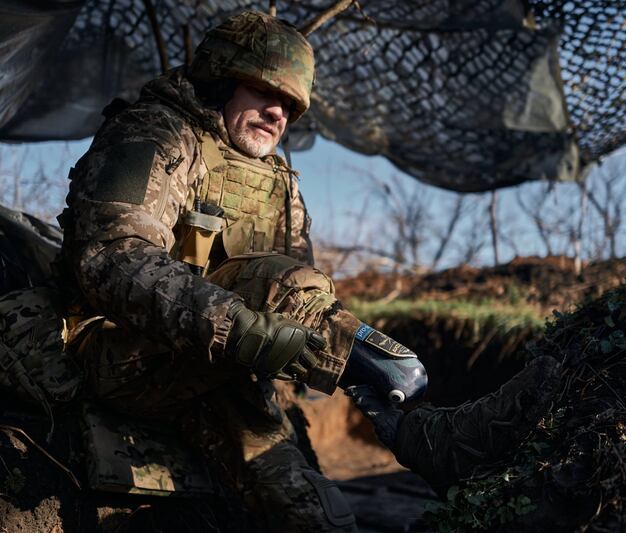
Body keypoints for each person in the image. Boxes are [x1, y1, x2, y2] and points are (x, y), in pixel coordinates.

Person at [48, 11, 426, 532]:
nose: (277, 112)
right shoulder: (156, 133)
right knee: (280, 284)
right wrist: (242, 330)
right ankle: (368, 361)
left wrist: (278, 360)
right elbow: (112, 257)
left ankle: (379, 383)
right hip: (115, 350)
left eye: (290, 105)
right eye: (264, 91)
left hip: (215, 369)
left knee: (307, 508)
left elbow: (302, 299)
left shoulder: (280, 183)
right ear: (221, 80)